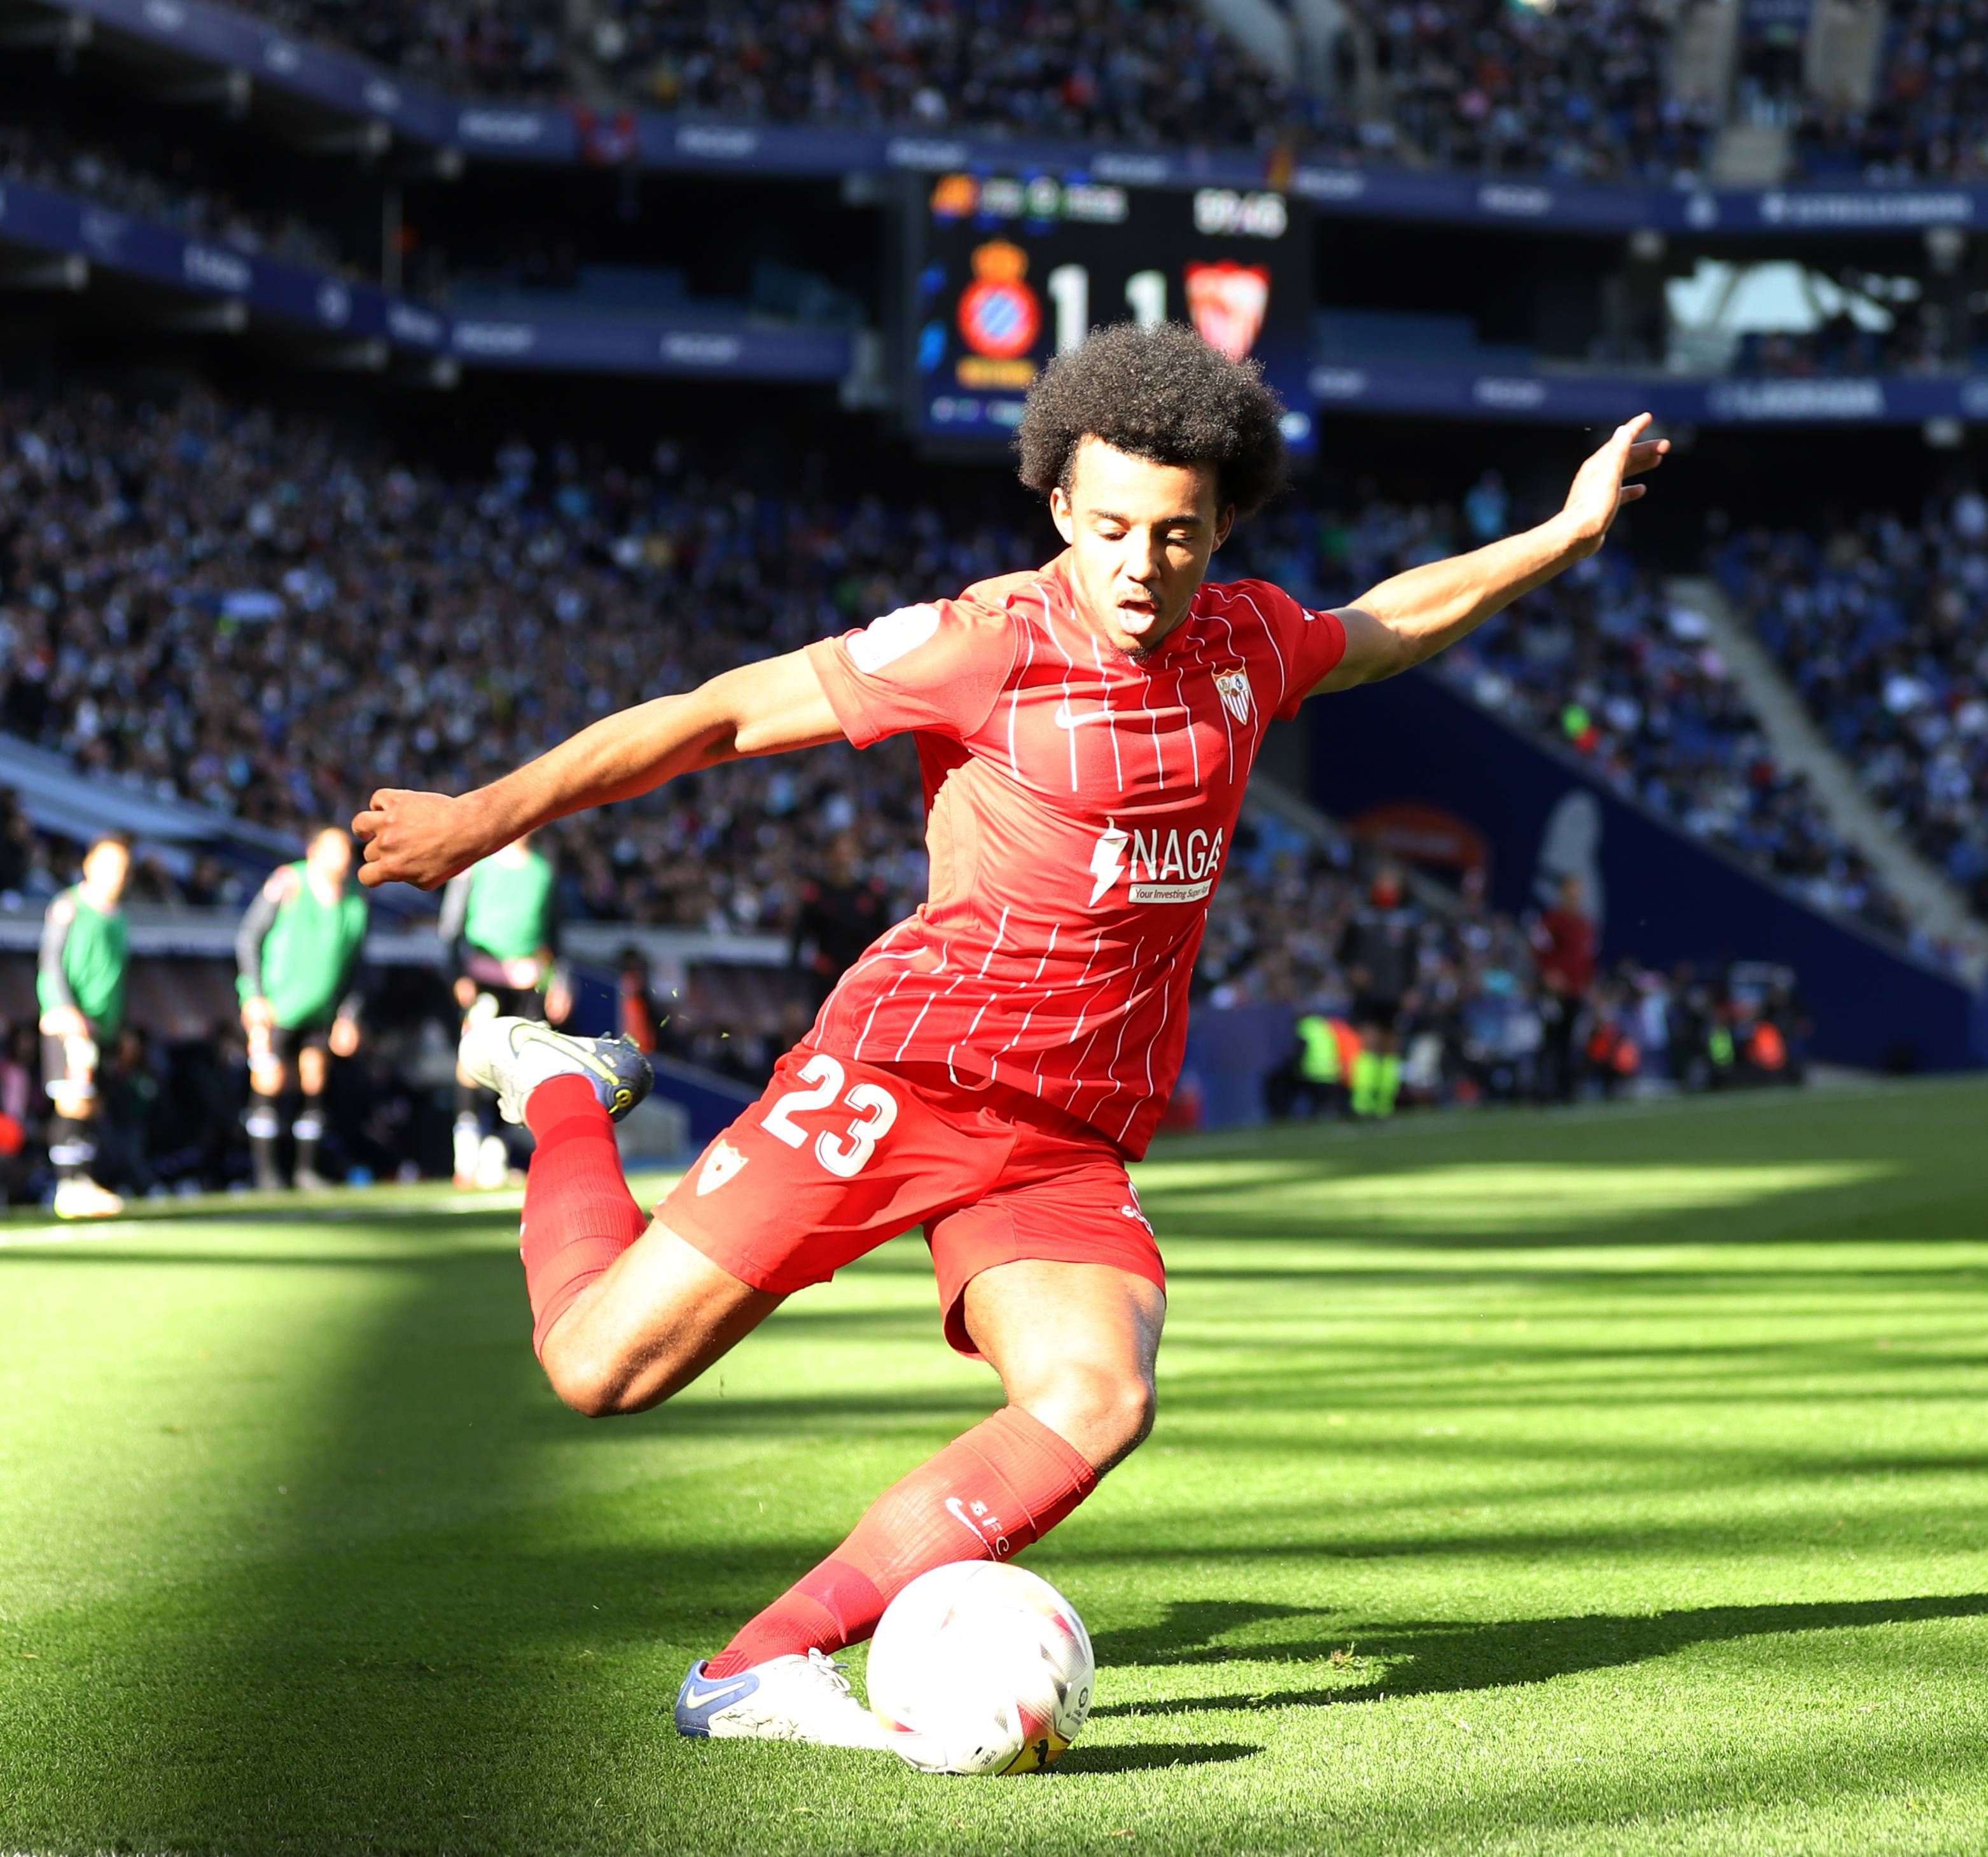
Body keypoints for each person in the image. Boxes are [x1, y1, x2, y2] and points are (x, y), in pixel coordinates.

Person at [352, 323, 1666, 1760]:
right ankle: (560, 1090)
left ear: (1221, 526)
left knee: (1098, 1394)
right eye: (1107, 526)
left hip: (1060, 1136)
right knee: (599, 1374)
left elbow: (1393, 621)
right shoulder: (982, 641)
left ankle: (759, 1663)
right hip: (902, 1078)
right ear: (1056, 505)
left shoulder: (1245, 645)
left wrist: (1566, 527)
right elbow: (719, 715)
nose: (1138, 564)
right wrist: (484, 817)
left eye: (1175, 534)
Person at [237, 826, 369, 1191]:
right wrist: (255, 995)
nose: (342, 858)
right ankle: (265, 1173)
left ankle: (304, 1169)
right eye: (334, 849)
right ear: (313, 852)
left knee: (314, 1080)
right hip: (275, 1008)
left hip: (321, 1013)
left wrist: (349, 1015)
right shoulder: (287, 884)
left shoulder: (356, 903)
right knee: (269, 1079)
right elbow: (249, 938)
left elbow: (359, 968)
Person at [438, 833, 569, 1190]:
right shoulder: (478, 866)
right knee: (471, 1062)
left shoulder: (543, 872)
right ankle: (465, 1153)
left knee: (515, 1069)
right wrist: (458, 973)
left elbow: (554, 937)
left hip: (528, 982)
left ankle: (496, 1154)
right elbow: (452, 925)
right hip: (484, 978)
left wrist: (559, 981)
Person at [37, 833, 132, 1218]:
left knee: (91, 1102)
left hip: (103, 1026)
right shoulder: (69, 907)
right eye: (109, 865)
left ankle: (82, 1181)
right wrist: (64, 1007)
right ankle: (68, 1184)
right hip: (70, 1022)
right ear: (89, 864)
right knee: (73, 1099)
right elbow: (51, 961)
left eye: (123, 868)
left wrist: (122, 1027)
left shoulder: (120, 918)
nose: (117, 875)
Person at [1336, 864, 1419, 1120]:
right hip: (1369, 992)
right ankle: (1362, 1102)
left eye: (1391, 882)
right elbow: (1343, 953)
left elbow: (1411, 960)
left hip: (1394, 992)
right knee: (1367, 1042)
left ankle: (1384, 1103)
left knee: (1390, 1046)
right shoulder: (1361, 918)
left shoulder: (1406, 921)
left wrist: (1411, 989)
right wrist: (1353, 969)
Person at [790, 832, 894, 1010]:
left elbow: (886, 942)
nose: (843, 859)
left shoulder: (871, 895)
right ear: (828, 856)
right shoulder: (817, 895)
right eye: (838, 853)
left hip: (862, 980)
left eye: (848, 853)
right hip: (827, 980)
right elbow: (797, 944)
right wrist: (793, 997)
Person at [1533, 871, 1597, 1104]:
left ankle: (1566, 1090)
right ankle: (1544, 1090)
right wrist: (1548, 975)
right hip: (1556, 993)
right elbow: (1539, 948)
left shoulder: (1584, 924)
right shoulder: (1554, 920)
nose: (1575, 895)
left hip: (1577, 992)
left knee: (1572, 1042)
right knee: (1551, 1040)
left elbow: (1588, 960)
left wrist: (1590, 986)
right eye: (1571, 889)